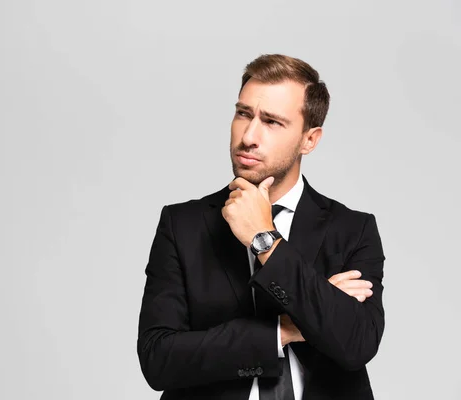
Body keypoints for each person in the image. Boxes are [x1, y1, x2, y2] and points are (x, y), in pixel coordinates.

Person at [136, 54, 385, 400]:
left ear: (309, 140)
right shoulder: (183, 225)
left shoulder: (352, 230)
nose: (249, 136)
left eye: (272, 122)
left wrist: (263, 240)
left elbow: (356, 343)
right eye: (243, 114)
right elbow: (158, 358)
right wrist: (285, 329)